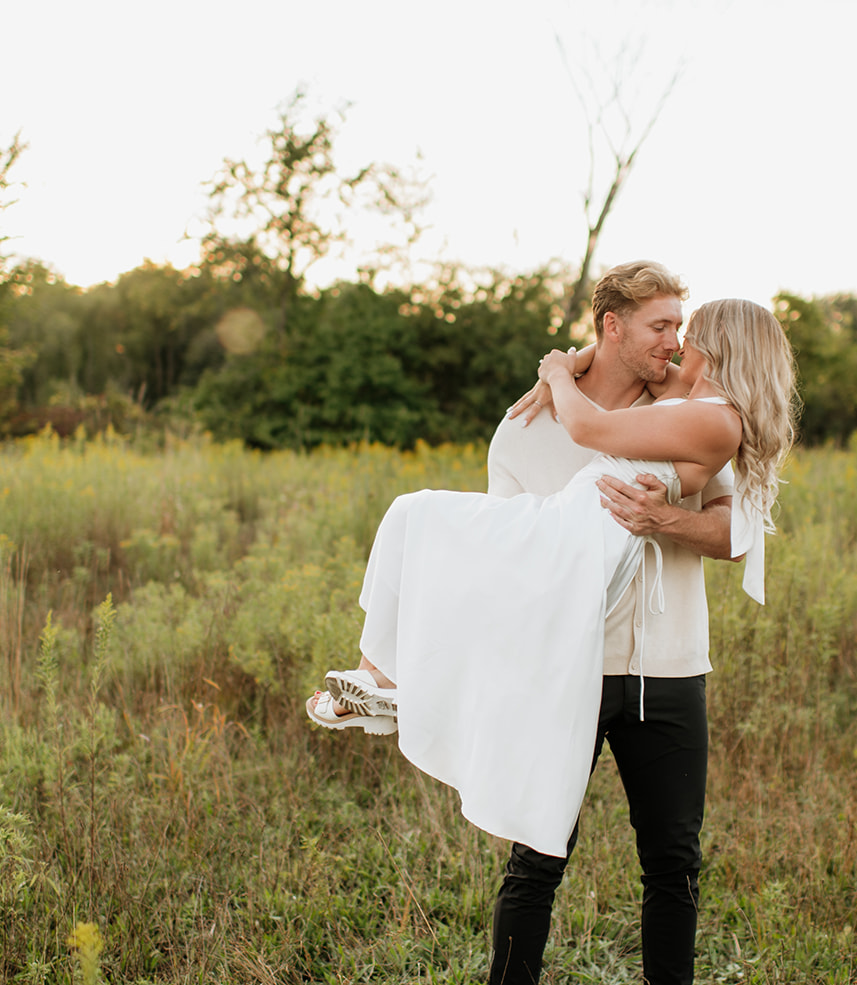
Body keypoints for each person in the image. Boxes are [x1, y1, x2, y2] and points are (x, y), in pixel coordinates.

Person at [307, 263, 798, 985]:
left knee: (674, 861)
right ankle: (388, 677)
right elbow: (504, 562)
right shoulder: (525, 427)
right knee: (535, 853)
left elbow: (734, 531)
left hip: (666, 665)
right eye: (662, 327)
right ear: (612, 326)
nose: (673, 343)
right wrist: (561, 374)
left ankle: (390, 676)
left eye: (683, 331)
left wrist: (660, 517)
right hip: (565, 663)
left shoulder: (689, 401)